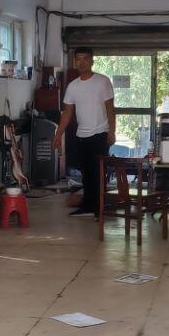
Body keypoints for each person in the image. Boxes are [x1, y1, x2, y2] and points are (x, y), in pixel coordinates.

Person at [56, 49, 116, 218]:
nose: (81, 62)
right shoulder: (73, 86)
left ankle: (99, 209)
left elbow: (110, 109)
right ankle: (87, 206)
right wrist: (58, 134)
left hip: (100, 133)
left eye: (85, 59)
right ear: (75, 62)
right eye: (78, 59)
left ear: (92, 61)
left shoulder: (102, 81)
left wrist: (112, 132)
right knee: (86, 173)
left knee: (98, 173)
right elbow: (67, 113)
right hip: (81, 135)